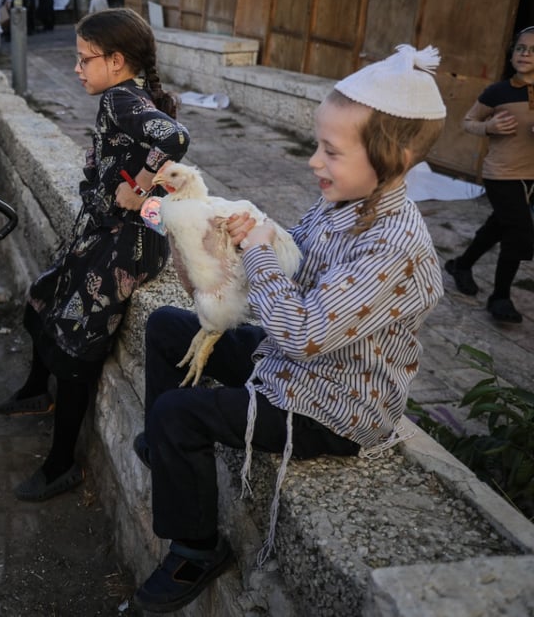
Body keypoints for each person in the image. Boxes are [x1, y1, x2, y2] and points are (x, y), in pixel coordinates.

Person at [132, 44, 446, 613]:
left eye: (330, 150)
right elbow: (293, 253)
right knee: (167, 327)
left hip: (335, 405)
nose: (314, 162)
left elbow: (302, 332)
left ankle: (196, 548)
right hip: (293, 363)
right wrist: (240, 232)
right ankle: (163, 452)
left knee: (178, 415)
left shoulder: (396, 246)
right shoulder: (345, 201)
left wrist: (256, 253)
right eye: (316, 147)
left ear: (392, 157)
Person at [0, 8, 190, 501]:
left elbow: (175, 137)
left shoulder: (121, 98)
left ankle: (62, 464)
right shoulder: (122, 96)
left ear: (117, 61)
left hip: (125, 245)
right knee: (43, 295)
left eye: (85, 59)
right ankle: (37, 391)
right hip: (104, 235)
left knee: (78, 347)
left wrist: (142, 186)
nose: (78, 69)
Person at [443, 25, 534, 323]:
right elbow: (468, 122)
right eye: (521, 48)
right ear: (512, 53)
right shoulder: (498, 91)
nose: (526, 54)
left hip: (530, 176)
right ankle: (501, 297)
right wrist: (489, 128)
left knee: (500, 224)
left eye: (533, 50)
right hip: (501, 173)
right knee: (519, 230)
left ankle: (461, 264)